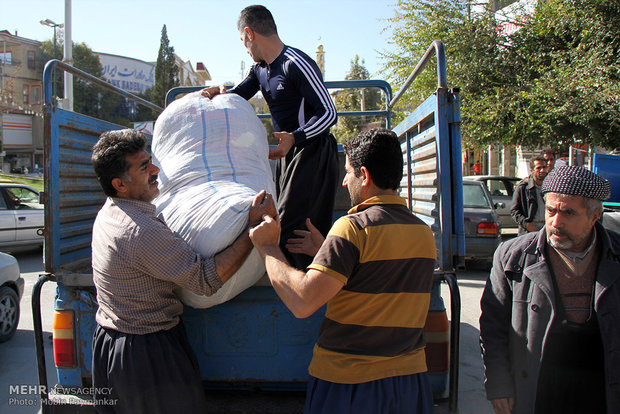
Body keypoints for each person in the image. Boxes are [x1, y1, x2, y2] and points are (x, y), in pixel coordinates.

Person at [249, 128, 436, 414]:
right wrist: (327, 251)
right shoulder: (423, 233)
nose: (345, 181)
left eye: (348, 172)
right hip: (409, 383)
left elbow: (302, 302)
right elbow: (376, 277)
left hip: (351, 385)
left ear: (365, 175)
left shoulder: (352, 228)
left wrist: (268, 248)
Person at [89, 129, 276, 413]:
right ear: (120, 184)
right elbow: (204, 280)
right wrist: (251, 230)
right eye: (144, 168)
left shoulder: (109, 212)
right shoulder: (141, 231)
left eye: (150, 161)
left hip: (111, 344)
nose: (156, 170)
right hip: (146, 356)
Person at [202, 5, 339, 270]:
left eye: (243, 42)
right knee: (285, 225)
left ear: (249, 33)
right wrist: (217, 92)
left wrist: (296, 138)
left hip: (313, 150)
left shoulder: (295, 62)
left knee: (297, 227)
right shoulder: (259, 70)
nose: (245, 49)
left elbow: (329, 113)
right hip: (289, 153)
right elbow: (236, 95)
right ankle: (297, 285)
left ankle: (312, 288)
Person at [480, 165, 620, 414]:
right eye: (552, 210)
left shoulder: (616, 254)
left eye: (568, 213)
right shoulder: (513, 256)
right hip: (537, 386)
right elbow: (493, 328)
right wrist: (499, 385)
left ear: (595, 216)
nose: (556, 222)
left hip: (603, 387)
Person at [510, 155, 548, 235]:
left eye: (544, 167)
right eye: (538, 168)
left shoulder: (550, 188)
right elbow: (514, 211)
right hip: (529, 231)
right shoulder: (523, 188)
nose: (542, 170)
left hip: (546, 229)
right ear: (531, 170)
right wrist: (526, 224)